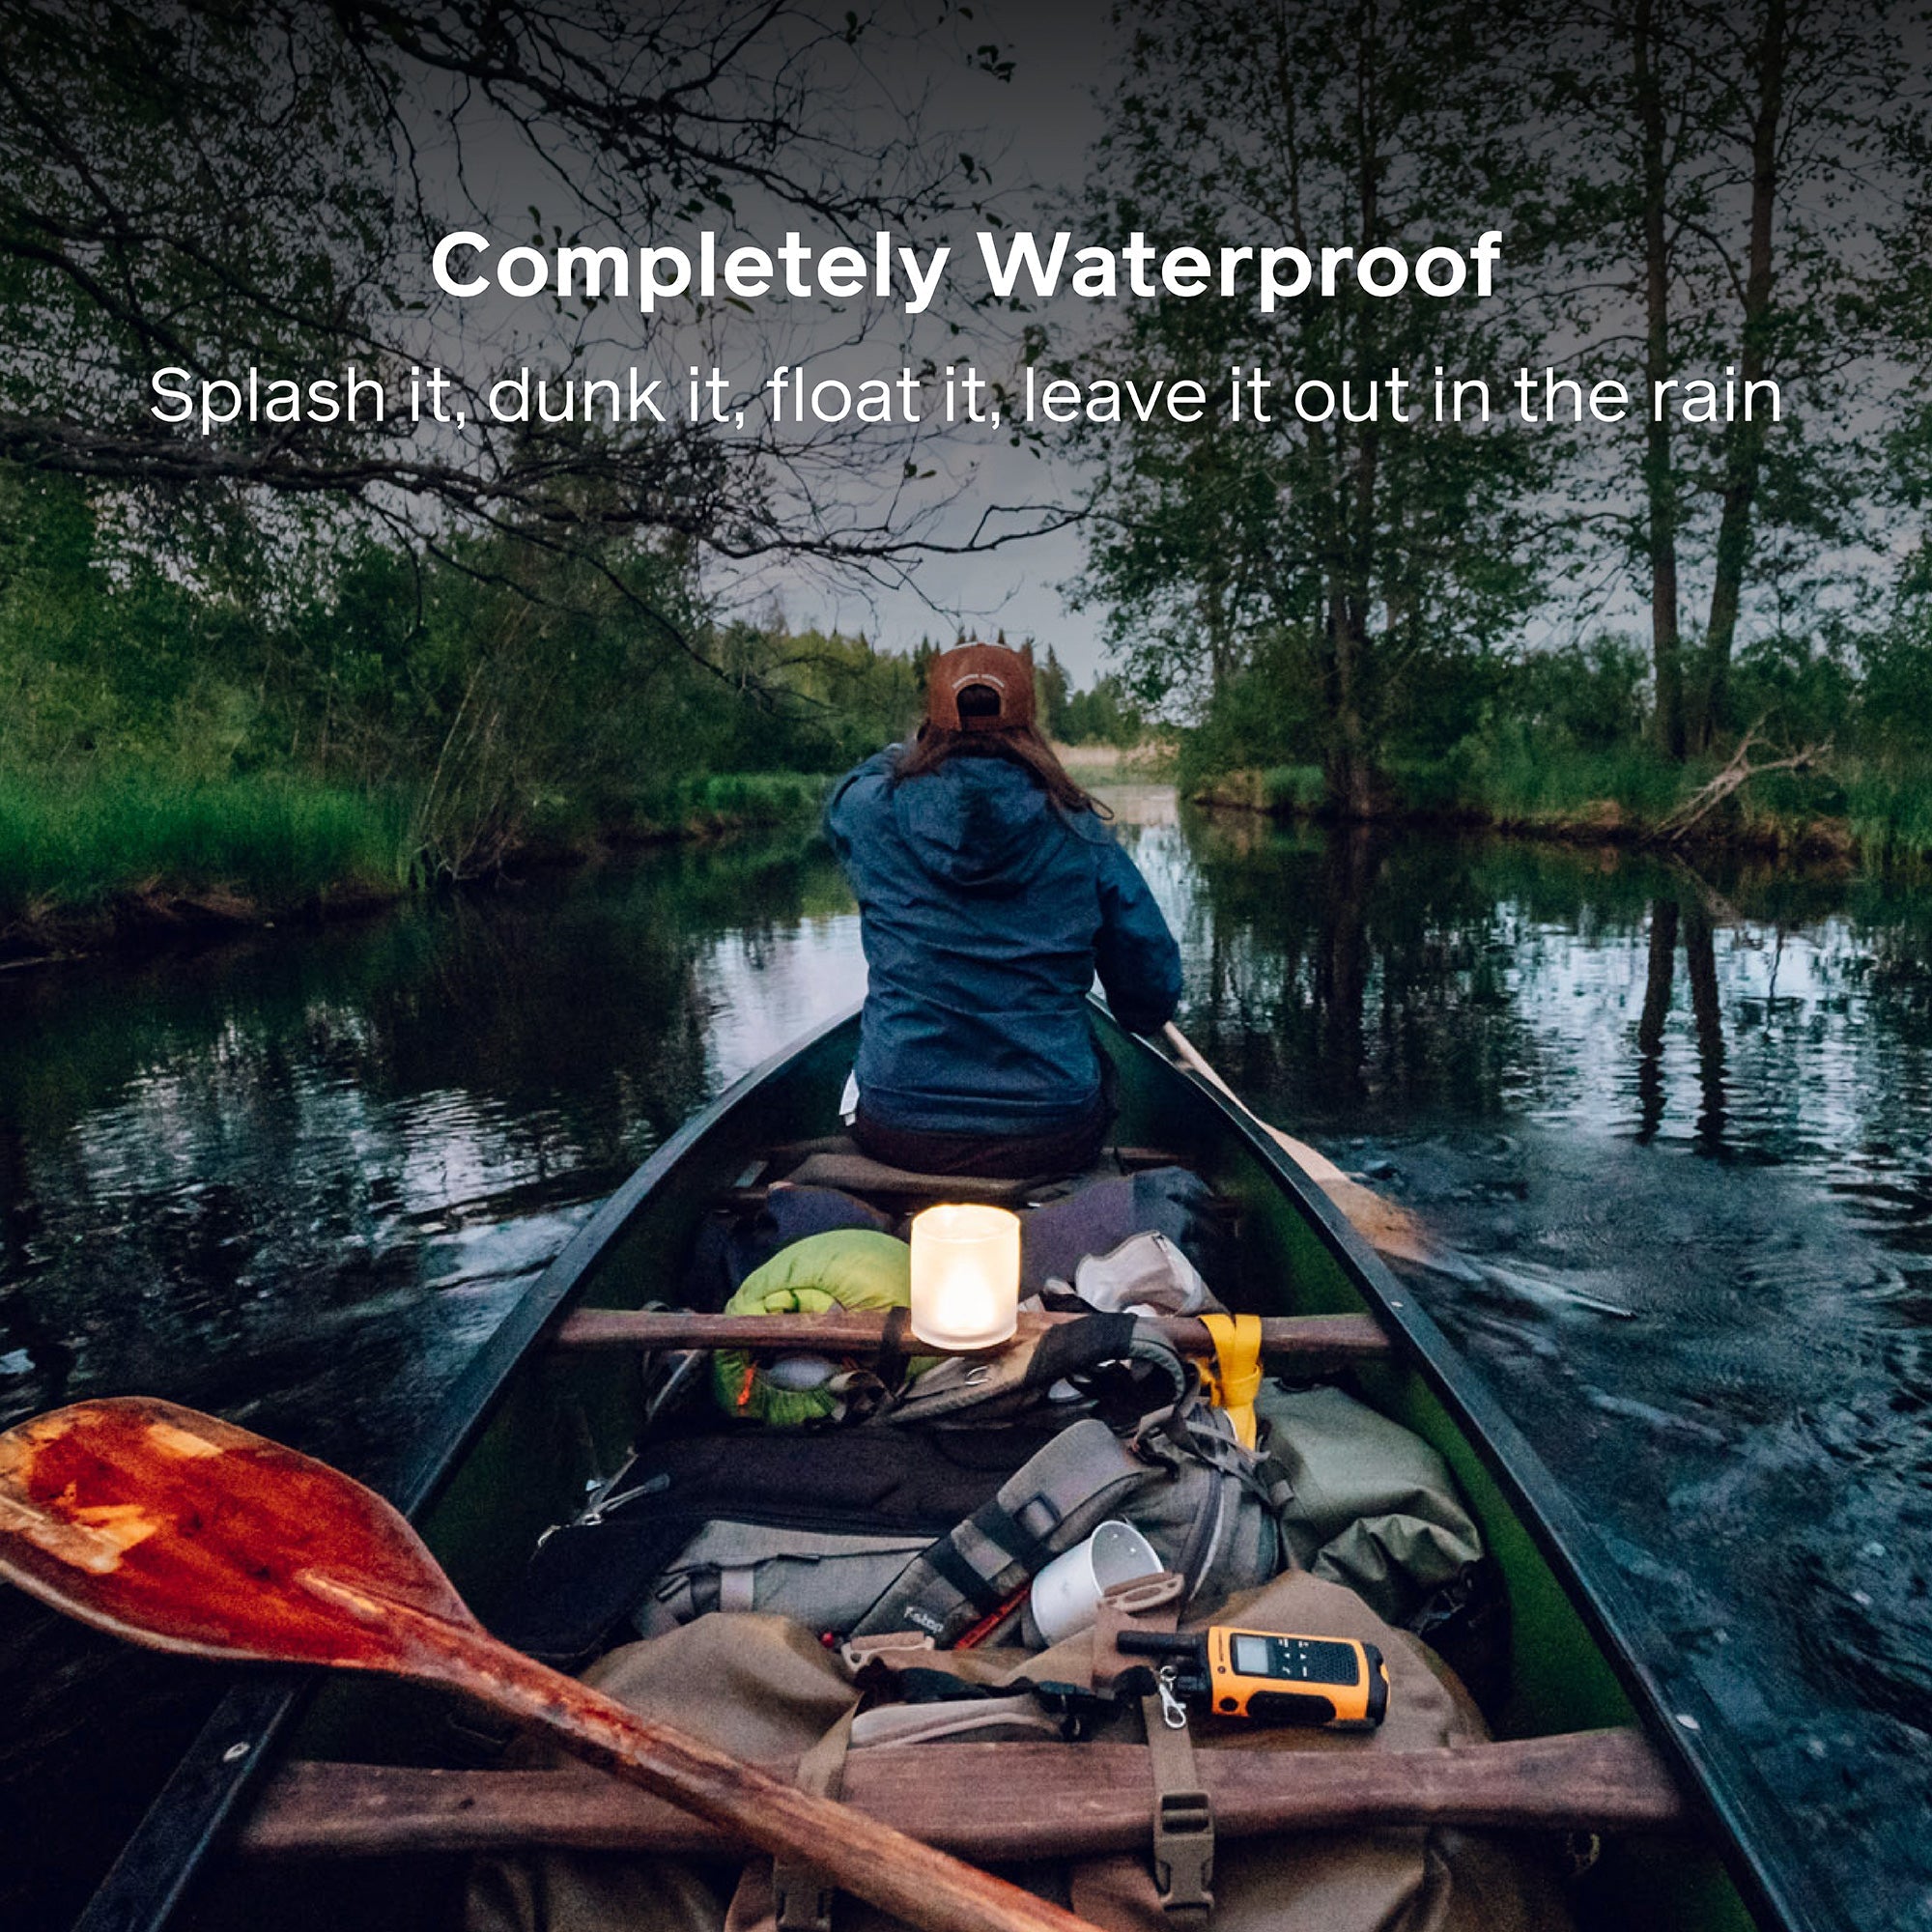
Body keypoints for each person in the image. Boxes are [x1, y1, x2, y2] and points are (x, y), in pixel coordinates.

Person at [824, 641, 1183, 1177]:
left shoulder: (869, 814)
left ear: (930, 723)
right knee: (1098, 1077)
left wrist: (909, 748)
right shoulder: (1080, 829)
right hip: (1051, 1133)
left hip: (900, 1126)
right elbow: (1148, 997)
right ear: (1029, 725)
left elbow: (851, 789)